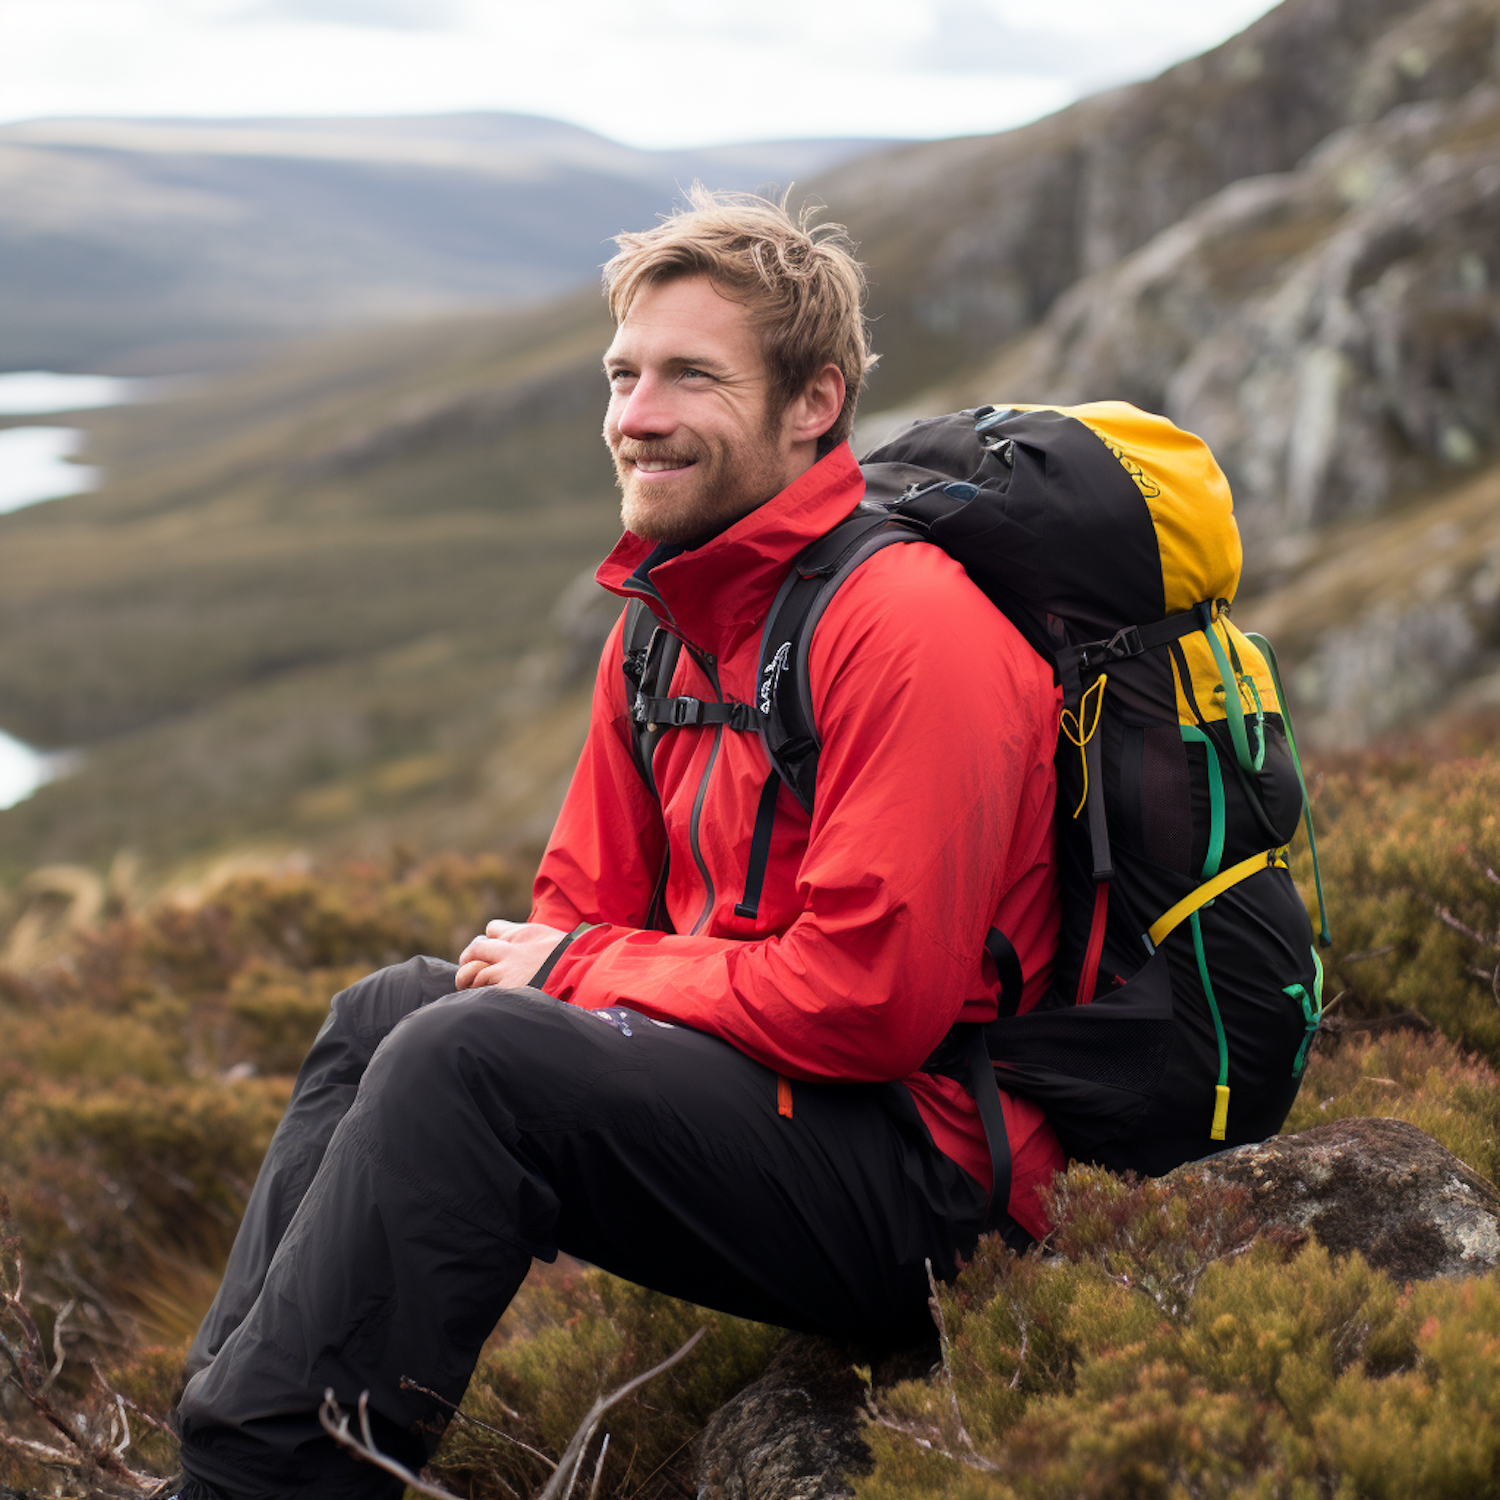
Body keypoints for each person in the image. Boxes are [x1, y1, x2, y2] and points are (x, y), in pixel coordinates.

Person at [169, 189, 1065, 1500]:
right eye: (623, 374)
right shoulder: (661, 624)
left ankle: (259, 1490)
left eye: (690, 376)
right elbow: (569, 917)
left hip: (944, 1177)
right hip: (780, 1090)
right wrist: (578, 972)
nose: (635, 416)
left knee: (473, 1057)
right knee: (388, 1016)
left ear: (814, 403)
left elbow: (869, 1005)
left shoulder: (907, 629)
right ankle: (226, 1437)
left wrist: (583, 975)